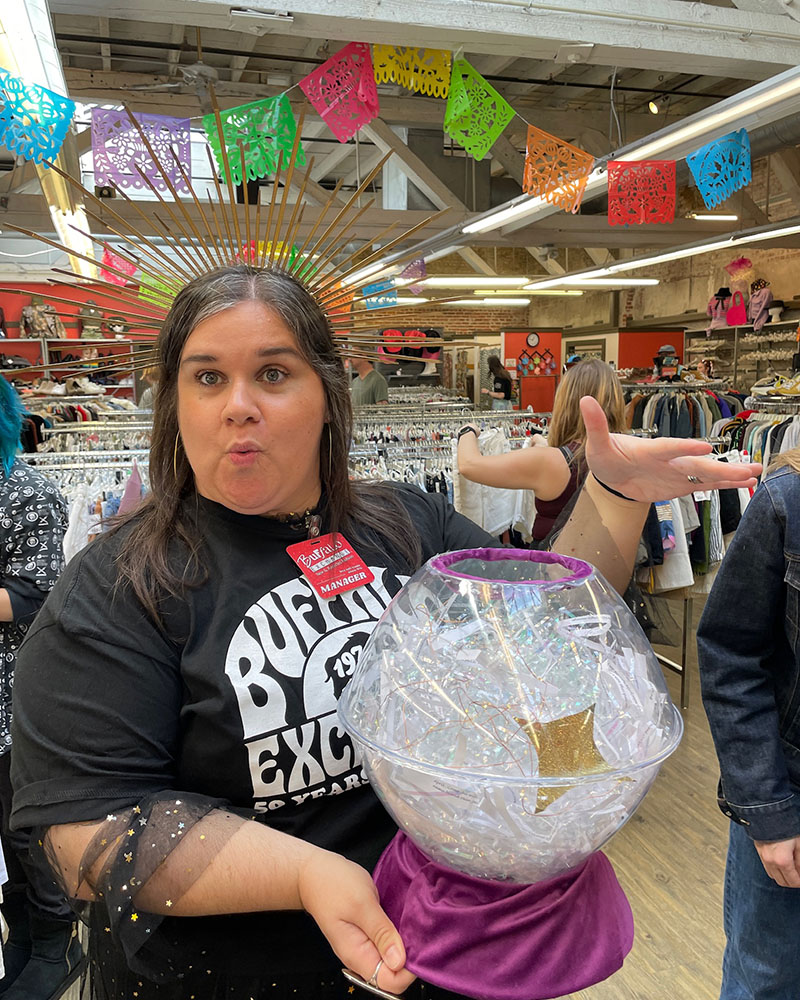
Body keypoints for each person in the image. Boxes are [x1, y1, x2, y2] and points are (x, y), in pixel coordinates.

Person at [9, 266, 760, 1000]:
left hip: (440, 953)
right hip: (234, 975)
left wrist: (617, 495)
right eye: (207, 378)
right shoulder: (120, 587)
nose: (238, 405)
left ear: (329, 397)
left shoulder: (407, 525)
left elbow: (546, 645)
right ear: (173, 402)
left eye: (274, 374)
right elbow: (86, 831)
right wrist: (306, 873)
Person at [697, 449, 800, 1000]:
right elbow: (731, 654)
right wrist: (770, 813)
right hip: (790, 796)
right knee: (768, 979)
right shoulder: (788, 499)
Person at [0, 378, 82, 999]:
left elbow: (35, 594)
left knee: (27, 828)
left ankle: (58, 944)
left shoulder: (26, 491)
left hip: (13, 699)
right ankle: (22, 937)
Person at [458, 358, 626, 543]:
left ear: (565, 402)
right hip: (609, 567)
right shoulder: (628, 456)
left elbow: (469, 465)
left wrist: (467, 431)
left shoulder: (550, 462)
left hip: (557, 568)